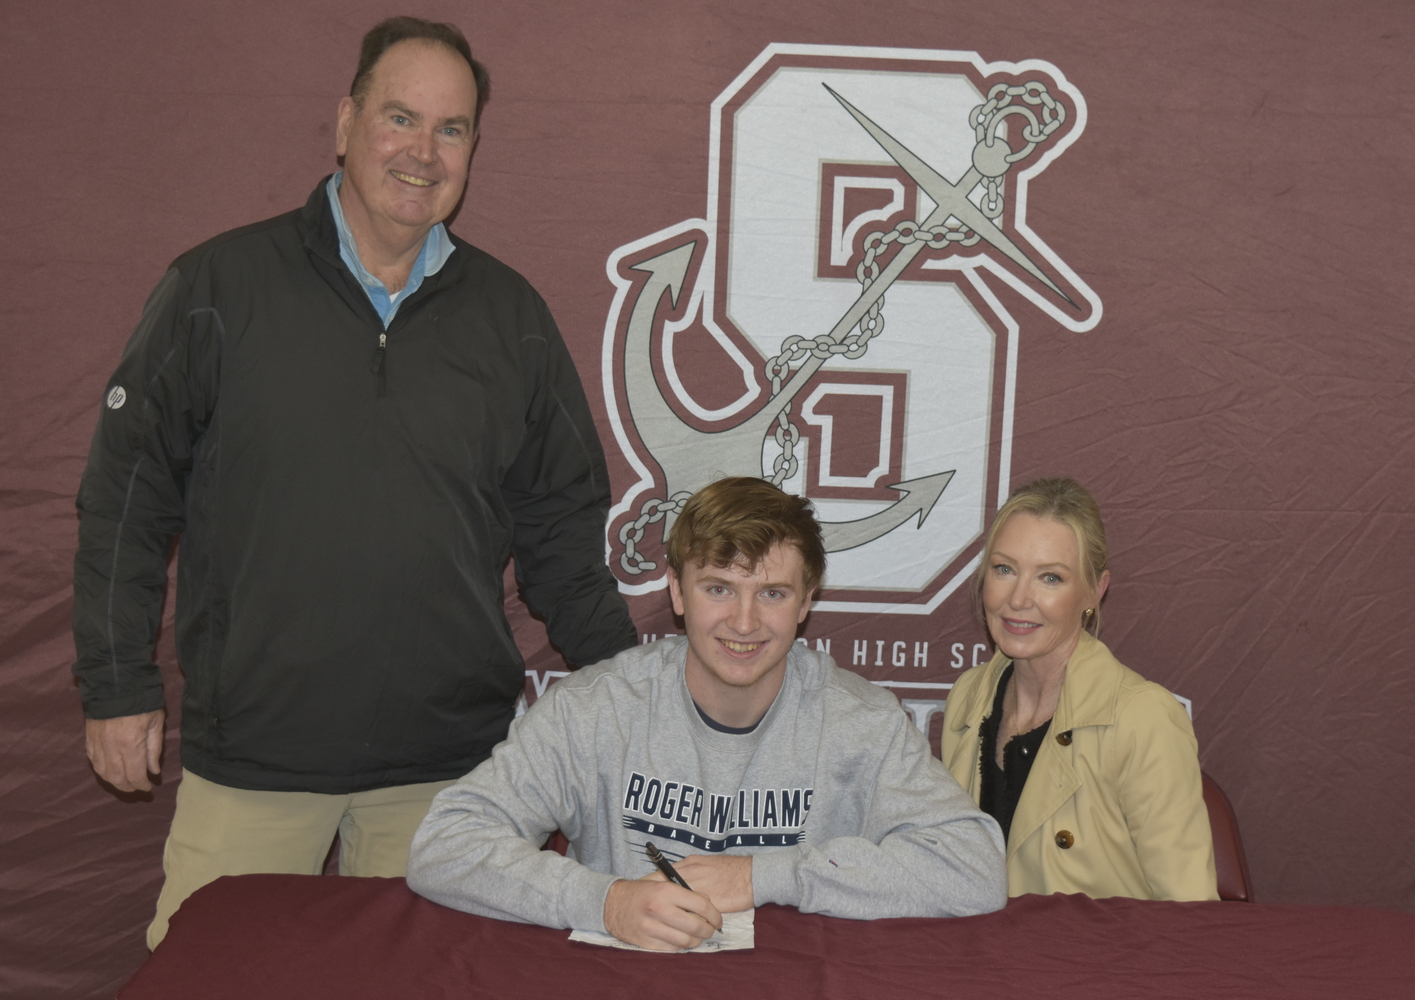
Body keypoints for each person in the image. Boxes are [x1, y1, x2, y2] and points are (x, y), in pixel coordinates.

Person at [71, 17, 636, 949]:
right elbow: (127, 499)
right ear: (344, 123)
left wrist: (630, 687)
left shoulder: (513, 320)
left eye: (451, 130)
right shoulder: (218, 287)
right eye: (399, 118)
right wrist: (116, 682)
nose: (422, 152)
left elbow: (561, 535)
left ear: (472, 150)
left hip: (445, 777)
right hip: (253, 760)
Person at [408, 477, 1007, 951]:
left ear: (807, 601)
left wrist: (763, 877)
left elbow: (974, 868)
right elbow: (444, 844)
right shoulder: (597, 708)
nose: (744, 622)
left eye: (771, 593)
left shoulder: (861, 722)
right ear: (676, 592)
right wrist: (605, 901)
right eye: (718, 588)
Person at [941, 477, 1217, 900]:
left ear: (1094, 590)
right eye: (1004, 569)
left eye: (1050, 578)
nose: (1018, 598)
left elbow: (1190, 915)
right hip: (979, 960)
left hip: (1102, 964)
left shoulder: (1143, 718)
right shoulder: (967, 697)